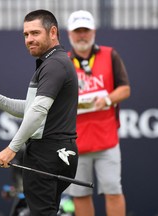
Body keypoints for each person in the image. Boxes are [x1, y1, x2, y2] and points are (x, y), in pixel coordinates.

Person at [0, 9, 79, 216]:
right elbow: (31, 109)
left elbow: (38, 111)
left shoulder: (55, 64)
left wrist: (12, 148)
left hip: (47, 155)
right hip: (59, 153)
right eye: (26, 34)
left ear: (53, 32)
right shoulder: (52, 63)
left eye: (35, 33)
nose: (29, 39)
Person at [64, 10, 130, 216]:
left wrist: (108, 99)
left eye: (85, 30)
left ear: (93, 32)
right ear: (69, 34)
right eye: (77, 31)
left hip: (106, 139)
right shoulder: (63, 61)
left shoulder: (110, 54)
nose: (82, 35)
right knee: (80, 194)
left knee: (112, 190)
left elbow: (125, 88)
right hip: (75, 141)